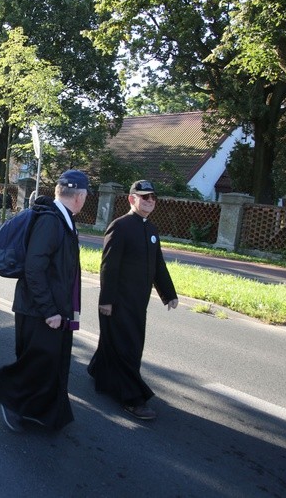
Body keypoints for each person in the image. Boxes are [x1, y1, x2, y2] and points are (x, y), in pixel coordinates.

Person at [0, 170, 88, 432]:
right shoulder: (51, 222)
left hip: (52, 309)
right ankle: (11, 400)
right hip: (39, 310)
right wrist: (50, 310)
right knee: (37, 363)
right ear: (80, 197)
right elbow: (34, 269)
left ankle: (44, 413)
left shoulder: (62, 219)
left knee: (50, 363)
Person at [87, 179, 178, 421]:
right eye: (144, 197)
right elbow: (108, 266)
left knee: (117, 342)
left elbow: (158, 265)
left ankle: (99, 370)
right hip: (117, 301)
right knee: (128, 348)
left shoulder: (151, 230)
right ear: (131, 199)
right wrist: (106, 300)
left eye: (153, 197)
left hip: (138, 302)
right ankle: (132, 398)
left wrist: (169, 294)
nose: (149, 201)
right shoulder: (120, 226)